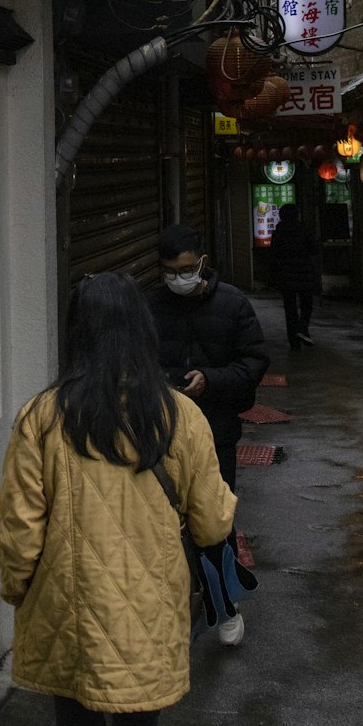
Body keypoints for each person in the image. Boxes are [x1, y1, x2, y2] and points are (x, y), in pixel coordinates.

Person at [0, 273, 236, 726]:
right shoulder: (181, 416)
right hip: (150, 606)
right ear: (141, 330)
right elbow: (213, 524)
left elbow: (20, 526)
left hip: (68, 606)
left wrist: (20, 590)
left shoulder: (41, 417)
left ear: (77, 333)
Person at [146, 222, 268, 646]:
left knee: (215, 522)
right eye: (168, 271)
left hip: (215, 431)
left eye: (184, 269)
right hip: (162, 433)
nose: (177, 278)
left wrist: (211, 380)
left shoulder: (233, 304)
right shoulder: (151, 306)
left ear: (201, 262)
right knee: (160, 524)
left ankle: (225, 606)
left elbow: (254, 361)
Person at [268, 203, 319, 350]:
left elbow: (274, 254)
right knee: (306, 304)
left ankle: (293, 341)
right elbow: (314, 249)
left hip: (286, 275)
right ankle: (302, 328)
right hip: (304, 273)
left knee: (290, 308)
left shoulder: (279, 232)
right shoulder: (304, 229)